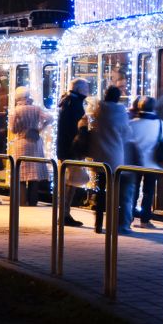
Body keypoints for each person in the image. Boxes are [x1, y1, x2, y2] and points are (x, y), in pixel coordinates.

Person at [90, 86, 131, 234]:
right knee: (114, 192)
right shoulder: (121, 112)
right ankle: (112, 224)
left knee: (100, 190)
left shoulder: (98, 110)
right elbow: (126, 133)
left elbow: (92, 127)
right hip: (115, 155)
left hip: (99, 155)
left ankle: (98, 224)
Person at [8, 87, 53, 206]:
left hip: (21, 142)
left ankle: (22, 201)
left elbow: (12, 129)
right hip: (35, 142)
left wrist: (21, 129)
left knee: (21, 174)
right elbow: (50, 118)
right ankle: (33, 201)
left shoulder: (16, 111)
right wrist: (39, 129)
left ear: (17, 97)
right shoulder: (36, 109)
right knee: (34, 174)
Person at [127, 96, 163, 229]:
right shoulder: (159, 123)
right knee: (148, 192)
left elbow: (127, 140)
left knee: (133, 191)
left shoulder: (132, 123)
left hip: (135, 162)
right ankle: (145, 220)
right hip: (152, 163)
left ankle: (129, 218)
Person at [56, 79, 90, 226]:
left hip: (66, 149)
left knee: (69, 182)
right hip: (71, 150)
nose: (88, 90)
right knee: (70, 183)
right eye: (86, 87)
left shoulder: (68, 101)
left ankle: (65, 214)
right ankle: (64, 215)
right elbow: (74, 129)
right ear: (79, 89)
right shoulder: (74, 104)